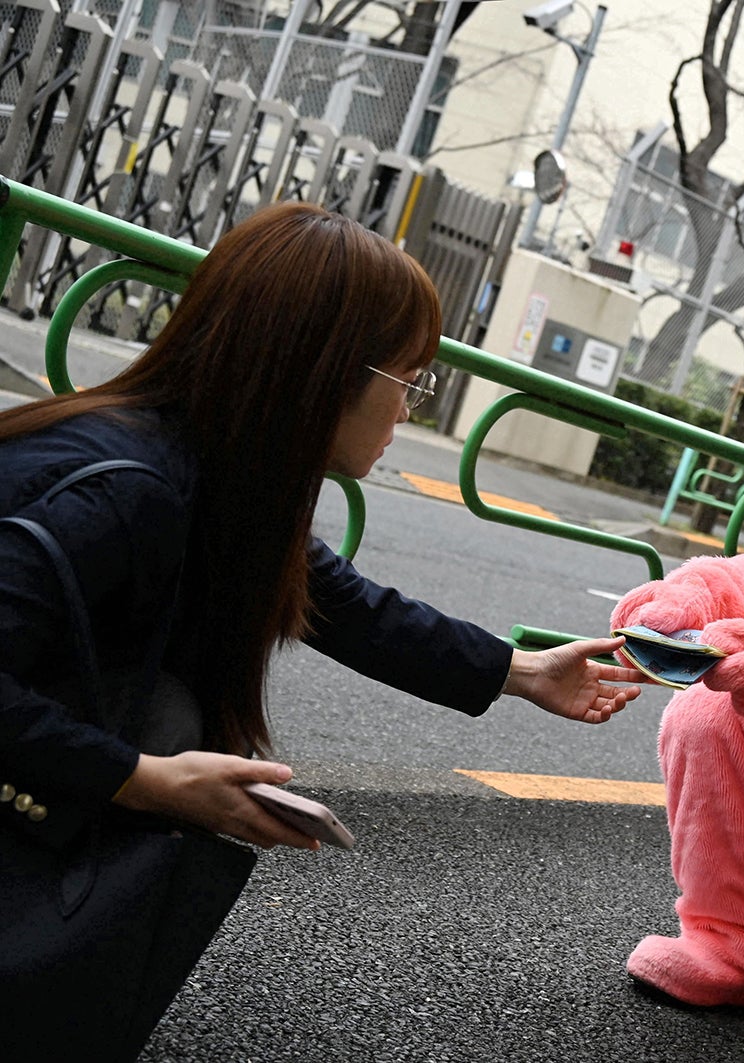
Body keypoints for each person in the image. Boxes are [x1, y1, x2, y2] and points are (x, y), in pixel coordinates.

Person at [0, 202, 645, 855]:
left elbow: (354, 610)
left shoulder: (218, 476)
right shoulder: (127, 494)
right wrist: (142, 779)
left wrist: (524, 671)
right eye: (409, 383)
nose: (408, 411)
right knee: (168, 723)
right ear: (328, 372)